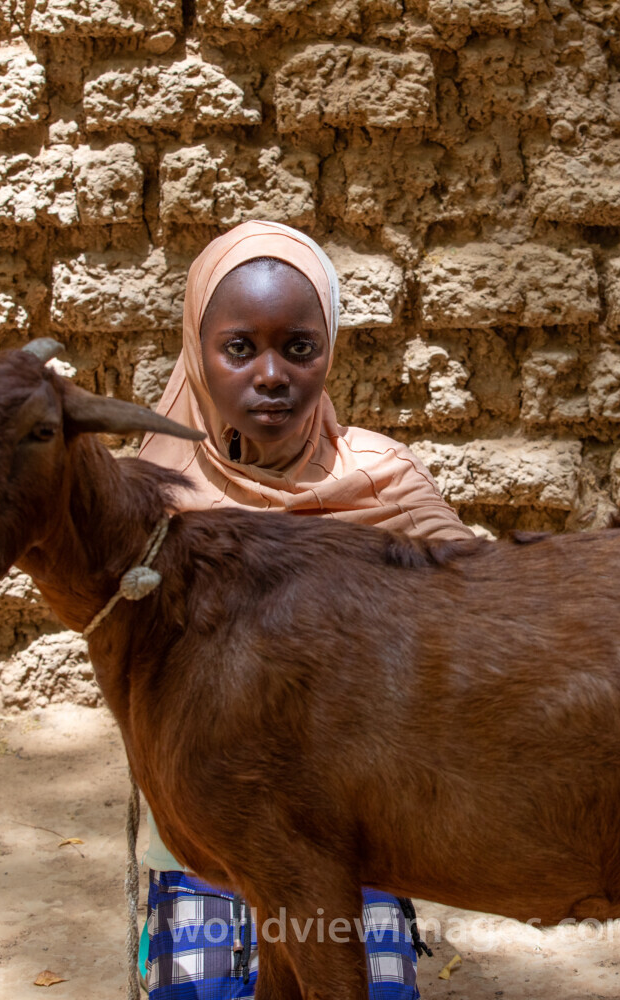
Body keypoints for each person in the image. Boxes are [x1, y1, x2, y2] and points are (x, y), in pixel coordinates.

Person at [135, 220, 474, 1000]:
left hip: (354, 836)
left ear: (330, 350)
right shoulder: (153, 499)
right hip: (204, 843)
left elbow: (477, 615)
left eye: (298, 347)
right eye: (238, 348)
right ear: (196, 348)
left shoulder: (383, 485)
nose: (271, 375)